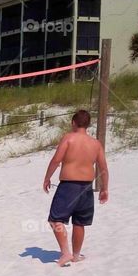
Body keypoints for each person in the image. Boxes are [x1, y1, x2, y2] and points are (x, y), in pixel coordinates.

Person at [43, 109, 109, 267]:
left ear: (73, 122)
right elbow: (103, 168)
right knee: (79, 222)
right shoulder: (96, 144)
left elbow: (56, 160)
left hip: (69, 186)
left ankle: (66, 252)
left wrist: (47, 177)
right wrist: (105, 189)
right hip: (87, 187)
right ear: (88, 124)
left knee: (55, 219)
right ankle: (77, 255)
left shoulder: (69, 138)